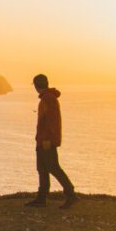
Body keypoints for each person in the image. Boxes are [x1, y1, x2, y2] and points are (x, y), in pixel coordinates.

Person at [27, 74, 77, 208]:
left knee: (53, 167)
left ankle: (70, 193)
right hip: (43, 139)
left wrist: (47, 139)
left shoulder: (48, 99)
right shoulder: (48, 98)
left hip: (46, 140)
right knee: (42, 168)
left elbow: (51, 121)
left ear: (36, 86)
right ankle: (42, 197)